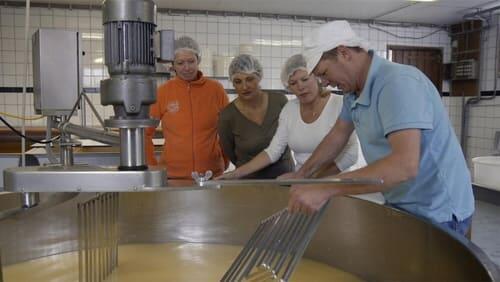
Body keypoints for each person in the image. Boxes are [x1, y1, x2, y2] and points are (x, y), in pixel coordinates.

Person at [286, 20, 474, 237]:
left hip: (438, 209)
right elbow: (337, 135)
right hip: (400, 199)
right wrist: (302, 175)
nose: (325, 83)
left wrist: (327, 187)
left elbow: (404, 165)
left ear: (344, 53)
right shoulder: (353, 91)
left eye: (324, 73)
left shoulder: (398, 83)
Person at [217, 54, 360, 180]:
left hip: (336, 184)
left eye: (304, 79)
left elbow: (350, 154)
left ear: (317, 77)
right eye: (293, 83)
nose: (300, 87)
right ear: (288, 87)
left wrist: (309, 178)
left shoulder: (340, 104)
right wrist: (235, 174)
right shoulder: (290, 109)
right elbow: (273, 151)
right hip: (301, 186)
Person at [145, 36, 229, 179]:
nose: (187, 67)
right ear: (173, 65)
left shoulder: (216, 90)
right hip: (172, 175)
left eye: (191, 61)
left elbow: (228, 129)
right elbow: (145, 132)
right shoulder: (163, 92)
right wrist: (152, 165)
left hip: (211, 175)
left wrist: (224, 160)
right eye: (180, 63)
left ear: (198, 60)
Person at [217, 54, 294, 179]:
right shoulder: (228, 116)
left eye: (249, 79)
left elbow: (289, 138)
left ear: (259, 77)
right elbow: (230, 153)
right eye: (238, 81)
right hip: (249, 182)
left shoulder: (279, 101)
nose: (244, 86)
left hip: (285, 178)